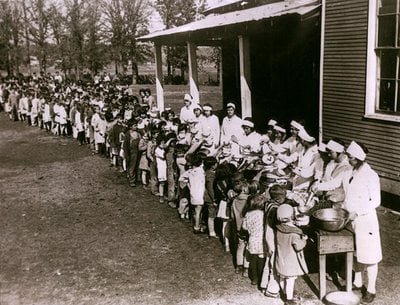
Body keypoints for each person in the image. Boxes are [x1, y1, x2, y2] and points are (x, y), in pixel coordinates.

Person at [343, 141, 382, 304]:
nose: (348, 159)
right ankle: (357, 282)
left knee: (370, 256)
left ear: (358, 158)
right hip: (353, 221)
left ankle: (371, 290)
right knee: (357, 253)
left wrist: (357, 212)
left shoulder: (371, 175)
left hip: (366, 221)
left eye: (350, 157)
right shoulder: (351, 171)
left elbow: (376, 201)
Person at [275, 204, 308, 305]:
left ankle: (284, 293)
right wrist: (304, 240)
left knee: (282, 277)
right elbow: (298, 247)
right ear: (292, 216)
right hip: (290, 262)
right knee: (290, 280)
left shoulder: (278, 228)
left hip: (280, 258)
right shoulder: (294, 233)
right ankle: (289, 300)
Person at [241, 194, 266, 287]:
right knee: (261, 259)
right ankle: (260, 278)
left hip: (252, 239)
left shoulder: (248, 214)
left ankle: (254, 279)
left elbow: (244, 227)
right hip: (261, 240)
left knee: (253, 259)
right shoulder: (262, 214)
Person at [179, 153, 205, 233]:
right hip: (200, 194)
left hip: (193, 193)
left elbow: (181, 178)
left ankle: (195, 224)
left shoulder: (190, 172)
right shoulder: (201, 171)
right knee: (198, 212)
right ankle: (197, 227)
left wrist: (188, 183)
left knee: (195, 210)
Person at [203, 156, 219, 239]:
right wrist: (214, 199)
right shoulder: (210, 175)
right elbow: (210, 188)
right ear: (213, 165)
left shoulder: (207, 172)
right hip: (210, 198)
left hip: (208, 197)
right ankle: (212, 232)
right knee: (211, 215)